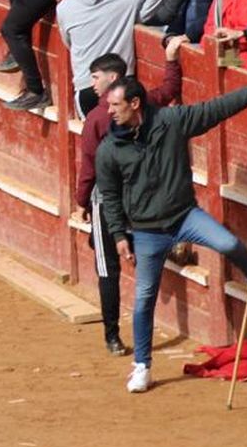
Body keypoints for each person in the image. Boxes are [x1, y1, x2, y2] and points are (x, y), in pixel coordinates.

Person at [98, 70, 247, 392]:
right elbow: (110, 197)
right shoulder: (109, 149)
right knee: (144, 298)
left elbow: (214, 109)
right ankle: (142, 366)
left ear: (134, 103)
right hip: (146, 231)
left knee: (228, 243)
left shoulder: (172, 121)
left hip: (184, 215)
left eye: (115, 104)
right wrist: (119, 236)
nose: (110, 111)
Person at [73, 38, 186, 356]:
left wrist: (81, 201)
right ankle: (170, 242)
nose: (92, 83)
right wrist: (170, 58)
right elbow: (169, 90)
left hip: (107, 201)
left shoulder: (96, 118)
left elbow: (89, 166)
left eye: (96, 77)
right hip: (139, 196)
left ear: (112, 78)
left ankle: (112, 336)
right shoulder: (143, 104)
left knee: (107, 268)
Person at [56, 0, 168, 115]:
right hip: (122, 82)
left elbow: (68, 43)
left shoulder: (64, 7)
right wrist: (139, 16)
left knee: (93, 135)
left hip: (88, 84)